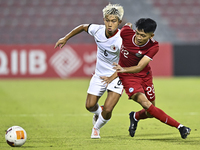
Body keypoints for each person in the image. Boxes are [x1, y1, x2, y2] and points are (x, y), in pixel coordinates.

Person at [102, 18, 191, 139]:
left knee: (150, 112)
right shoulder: (125, 32)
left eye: (143, 36)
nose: (138, 37)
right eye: (137, 33)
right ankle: (180, 127)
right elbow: (127, 26)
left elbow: (139, 67)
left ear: (151, 35)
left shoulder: (153, 46)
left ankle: (135, 116)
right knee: (146, 104)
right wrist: (128, 24)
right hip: (128, 78)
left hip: (144, 75)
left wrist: (123, 69)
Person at [54, 3, 124, 139]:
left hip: (117, 76)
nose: (110, 24)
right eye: (108, 20)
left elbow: (127, 62)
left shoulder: (122, 39)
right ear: (104, 20)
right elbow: (82, 27)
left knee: (109, 108)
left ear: (119, 22)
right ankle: (99, 112)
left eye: (113, 21)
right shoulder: (97, 30)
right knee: (90, 105)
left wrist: (112, 77)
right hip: (99, 75)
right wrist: (65, 38)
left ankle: (96, 128)